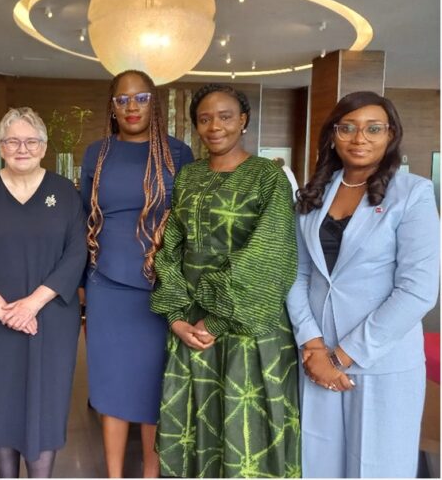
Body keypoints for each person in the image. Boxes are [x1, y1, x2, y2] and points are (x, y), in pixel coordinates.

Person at [150, 83, 301, 477]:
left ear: (244, 121)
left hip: (246, 323)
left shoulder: (268, 178)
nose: (214, 126)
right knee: (193, 424)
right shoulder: (188, 176)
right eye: (204, 119)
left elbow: (272, 256)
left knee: (243, 428)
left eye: (225, 116)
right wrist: (176, 317)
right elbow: (170, 248)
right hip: (190, 325)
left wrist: (214, 321)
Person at [286, 91, 439, 477]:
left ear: (390, 135)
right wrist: (313, 345)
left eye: (374, 128)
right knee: (318, 463)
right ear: (333, 135)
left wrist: (343, 356)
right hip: (317, 358)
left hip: (379, 357)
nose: (360, 138)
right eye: (347, 128)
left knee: (378, 466)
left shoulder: (412, 194)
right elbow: (297, 272)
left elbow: (417, 290)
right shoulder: (314, 193)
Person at [0, 107, 86, 478]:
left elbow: (77, 252)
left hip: (50, 319)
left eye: (30, 141)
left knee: (46, 402)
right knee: (1, 402)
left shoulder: (64, 193)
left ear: (44, 147)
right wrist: (1, 309)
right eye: (13, 141)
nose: (22, 148)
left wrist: (30, 305)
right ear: (1, 146)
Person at [80, 70, 193, 478]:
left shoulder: (178, 154)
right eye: (122, 99)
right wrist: (80, 284)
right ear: (111, 106)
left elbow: (188, 222)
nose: (131, 107)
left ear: (154, 104)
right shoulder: (98, 153)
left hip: (159, 286)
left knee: (153, 384)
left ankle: (151, 473)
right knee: (111, 384)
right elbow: (83, 216)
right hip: (106, 283)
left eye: (141, 98)